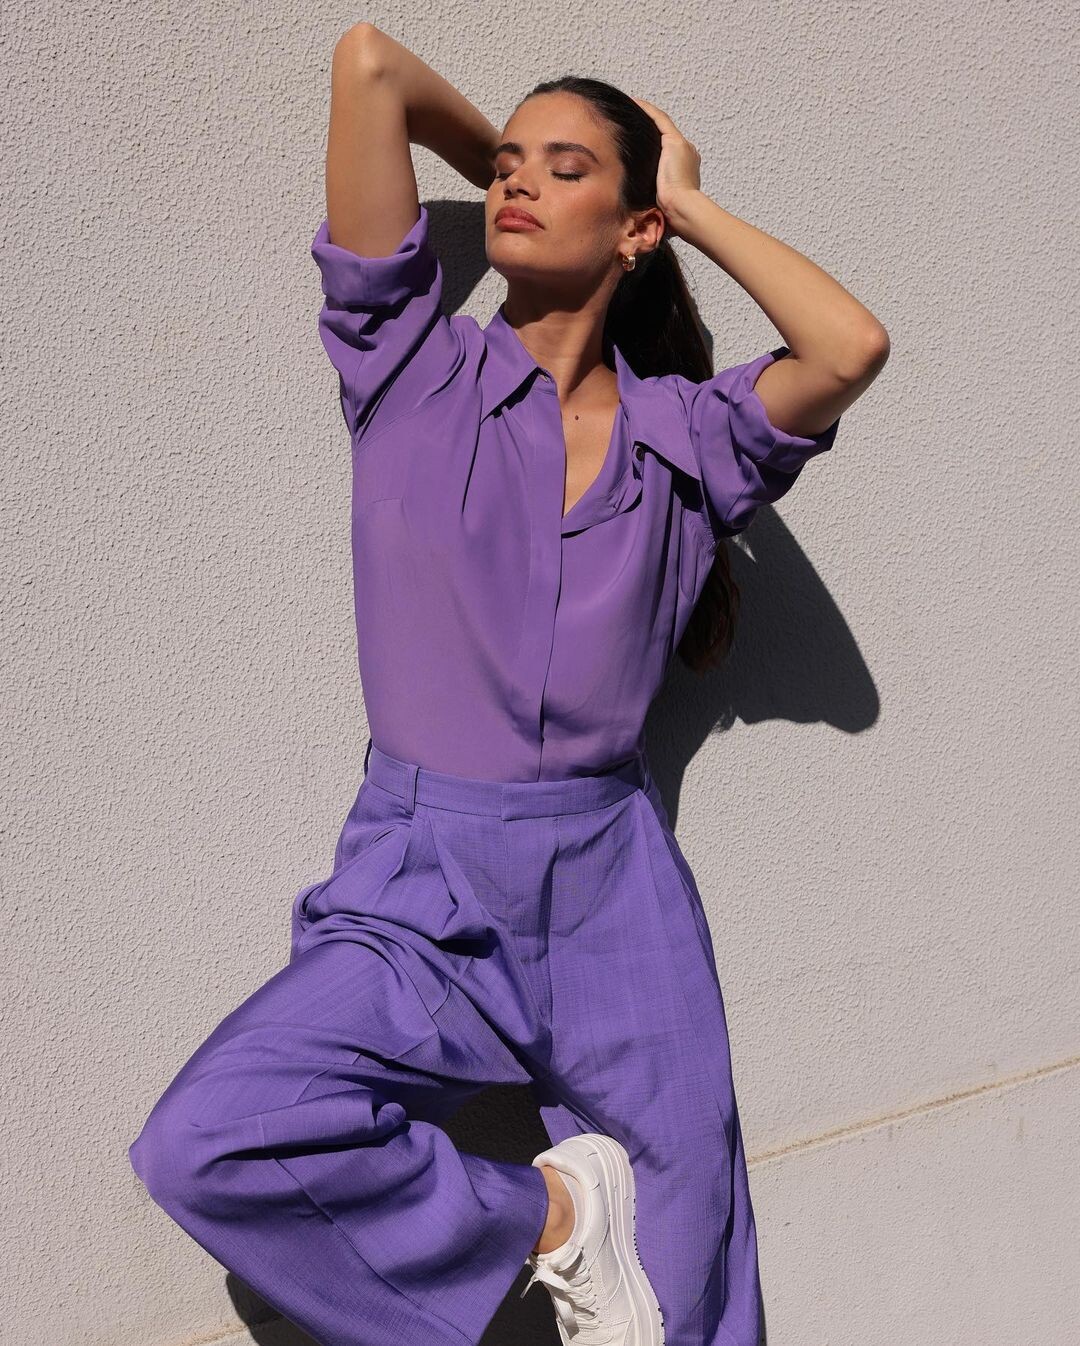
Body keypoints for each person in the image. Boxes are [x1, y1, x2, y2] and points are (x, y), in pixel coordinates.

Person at [128, 22, 888, 1346]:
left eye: (564, 168)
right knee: (218, 1134)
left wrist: (687, 202)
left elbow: (850, 346)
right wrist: (520, 169)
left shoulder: (689, 437)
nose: (519, 182)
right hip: (422, 883)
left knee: (697, 1292)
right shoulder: (408, 369)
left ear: (636, 227)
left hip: (614, 890)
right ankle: (555, 1219)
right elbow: (369, 64)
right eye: (507, 167)